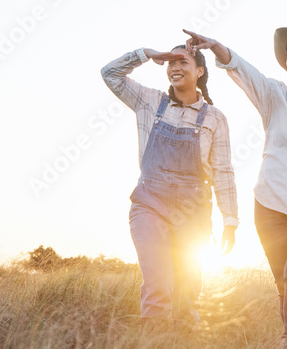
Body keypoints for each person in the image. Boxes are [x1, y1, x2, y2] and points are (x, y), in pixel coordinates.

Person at [182, 27, 287, 346]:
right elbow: (243, 71)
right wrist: (217, 46)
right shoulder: (274, 94)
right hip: (270, 201)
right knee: (281, 277)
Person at [101, 43, 237, 326]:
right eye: (171, 62)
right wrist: (148, 54)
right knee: (157, 284)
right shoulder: (148, 101)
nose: (175, 67)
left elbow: (224, 171)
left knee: (187, 295)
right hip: (150, 204)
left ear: (199, 71)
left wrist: (230, 220)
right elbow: (110, 74)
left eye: (183, 62)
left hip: (193, 211)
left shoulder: (215, 117)